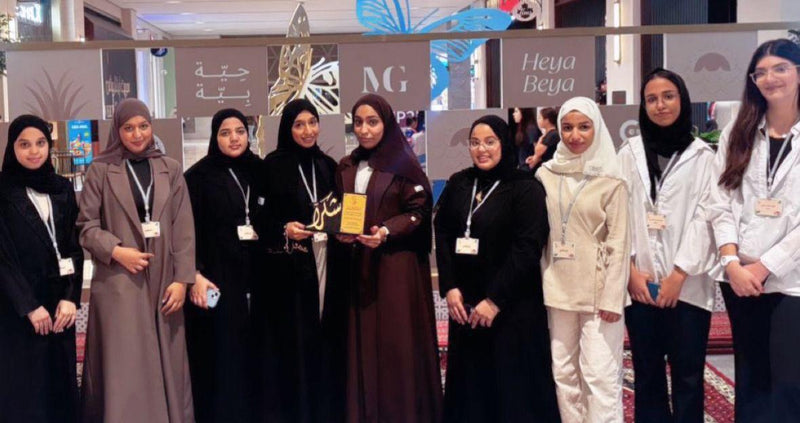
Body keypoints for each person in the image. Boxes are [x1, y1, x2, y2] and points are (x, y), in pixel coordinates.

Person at [434, 115, 559, 422]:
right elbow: (443, 232)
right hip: (466, 306)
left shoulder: (525, 188)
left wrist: (494, 300)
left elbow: (528, 248)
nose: (482, 149)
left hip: (511, 308)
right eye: (475, 143)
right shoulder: (459, 182)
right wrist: (449, 287)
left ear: (503, 143)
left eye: (490, 142)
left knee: (511, 390)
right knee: (471, 390)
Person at [78, 98, 195, 423]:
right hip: (119, 283)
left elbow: (184, 228)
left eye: (143, 126)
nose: (137, 134)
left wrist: (182, 280)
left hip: (164, 281)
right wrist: (116, 251)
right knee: (124, 365)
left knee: (167, 362)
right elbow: (86, 227)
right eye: (128, 128)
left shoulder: (170, 168)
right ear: (117, 130)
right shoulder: (100, 170)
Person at [336, 93, 442, 422]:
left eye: (373, 122)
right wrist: (339, 231)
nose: (364, 130)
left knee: (396, 344)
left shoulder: (404, 165)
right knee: (363, 342)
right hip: (360, 267)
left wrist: (385, 231)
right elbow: (341, 209)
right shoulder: (347, 165)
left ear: (387, 123)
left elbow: (419, 210)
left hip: (396, 268)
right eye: (358, 122)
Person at [618, 68, 717, 422]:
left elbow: (707, 218)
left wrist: (678, 274)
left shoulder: (704, 157)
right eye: (652, 99)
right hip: (641, 285)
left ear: (682, 100)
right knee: (647, 376)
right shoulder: (628, 153)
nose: (660, 105)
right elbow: (617, 215)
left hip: (687, 287)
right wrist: (630, 271)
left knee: (688, 376)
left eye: (668, 96)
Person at [709, 38, 800, 421]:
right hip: (739, 276)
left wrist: (765, 266)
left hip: (791, 281)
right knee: (751, 379)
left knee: (789, 384)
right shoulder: (739, 130)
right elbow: (720, 201)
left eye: (780, 68)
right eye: (760, 72)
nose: (769, 78)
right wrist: (731, 262)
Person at [536, 96, 630, 423]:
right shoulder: (546, 174)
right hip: (557, 286)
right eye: (567, 127)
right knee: (563, 372)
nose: (575, 135)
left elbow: (619, 242)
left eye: (584, 127)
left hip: (598, 291)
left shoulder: (612, 179)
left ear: (597, 129)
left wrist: (613, 297)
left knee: (599, 374)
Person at [255, 98, 345, 422]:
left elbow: (341, 211)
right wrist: (284, 228)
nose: (308, 131)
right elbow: (259, 217)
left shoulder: (329, 165)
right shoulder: (272, 166)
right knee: (295, 338)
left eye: (312, 122)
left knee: (325, 333)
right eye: (299, 125)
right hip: (289, 267)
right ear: (287, 129)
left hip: (325, 259)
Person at [0, 115, 83, 423]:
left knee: (60, 385)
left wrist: (70, 298)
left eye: (40, 143)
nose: (34, 151)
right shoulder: (3, 190)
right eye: (24, 144)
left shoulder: (61, 188)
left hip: (59, 305)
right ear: (12, 147)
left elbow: (73, 246)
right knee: (24, 389)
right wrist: (29, 306)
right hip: (18, 309)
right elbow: (2, 256)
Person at [183, 108, 262, 422]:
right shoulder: (197, 178)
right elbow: (186, 232)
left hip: (256, 280)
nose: (234, 139)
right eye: (225, 133)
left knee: (255, 353)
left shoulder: (260, 170)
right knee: (219, 353)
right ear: (215, 137)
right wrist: (195, 273)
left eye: (240, 131)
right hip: (214, 282)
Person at [525, 107, 560, 171]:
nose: (538, 120)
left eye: (540, 118)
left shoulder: (552, 135)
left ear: (547, 120)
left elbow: (538, 152)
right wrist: (533, 158)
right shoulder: (549, 134)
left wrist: (539, 140)